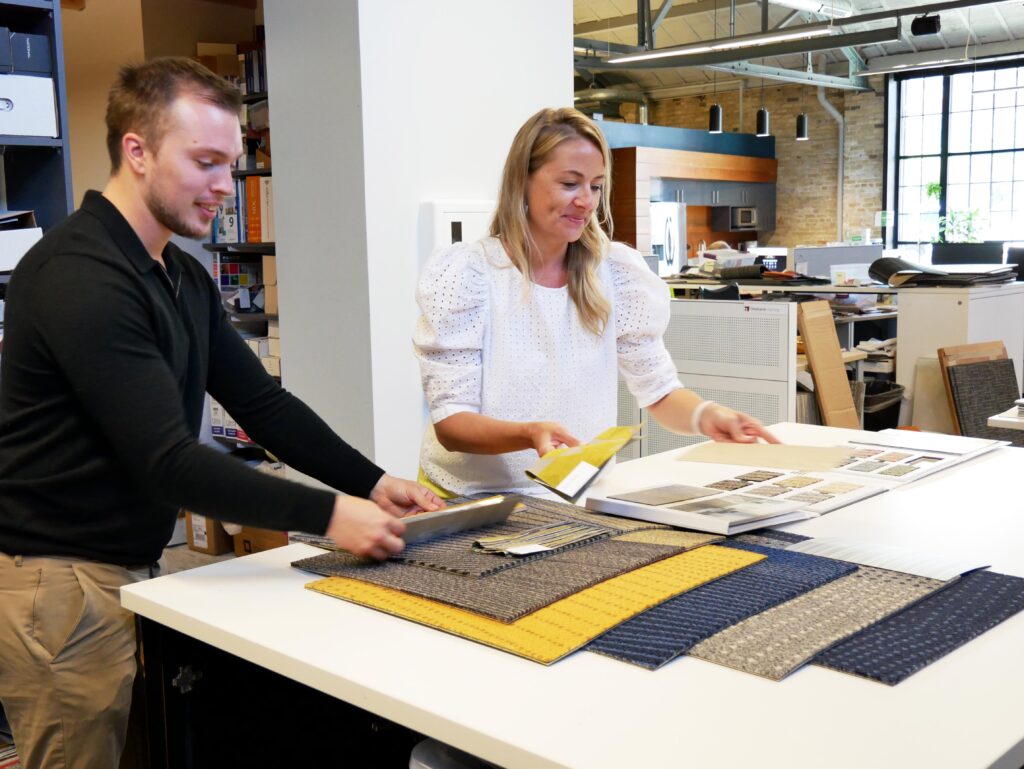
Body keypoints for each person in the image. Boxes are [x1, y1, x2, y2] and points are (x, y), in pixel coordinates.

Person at [0, 57, 442, 769]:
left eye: (230, 165)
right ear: (136, 151)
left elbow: (262, 403)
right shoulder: (78, 274)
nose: (223, 187)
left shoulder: (178, 274)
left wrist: (372, 481)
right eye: (206, 161)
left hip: (122, 567)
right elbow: (167, 460)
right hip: (60, 582)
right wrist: (333, 514)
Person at [414, 107, 778, 497]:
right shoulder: (470, 274)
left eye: (597, 186)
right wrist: (528, 434)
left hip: (576, 496)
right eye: (570, 184)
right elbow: (452, 424)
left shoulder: (616, 273)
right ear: (523, 182)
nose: (586, 202)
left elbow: (657, 389)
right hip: (474, 499)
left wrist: (706, 416)